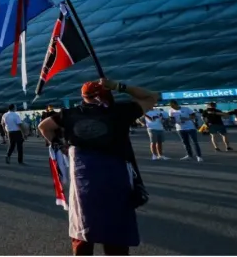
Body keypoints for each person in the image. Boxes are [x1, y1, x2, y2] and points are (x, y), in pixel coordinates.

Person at [38, 79, 158, 256]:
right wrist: (118, 86)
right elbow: (151, 96)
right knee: (116, 232)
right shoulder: (119, 112)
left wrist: (59, 145)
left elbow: (44, 127)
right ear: (105, 94)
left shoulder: (69, 114)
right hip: (115, 177)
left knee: (83, 228)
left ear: (83, 96)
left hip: (83, 179)